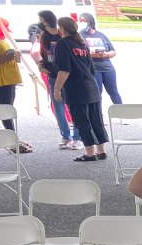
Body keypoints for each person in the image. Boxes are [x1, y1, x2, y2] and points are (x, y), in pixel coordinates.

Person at [54, 17, 107, 162]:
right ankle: (101, 150)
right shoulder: (82, 43)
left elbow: (64, 69)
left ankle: (90, 152)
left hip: (75, 88)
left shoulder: (63, 44)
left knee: (82, 121)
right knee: (96, 119)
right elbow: (91, 68)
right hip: (91, 85)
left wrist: (57, 89)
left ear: (62, 28)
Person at [36, 10, 81, 150]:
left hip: (68, 75)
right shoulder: (44, 36)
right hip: (52, 74)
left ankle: (78, 137)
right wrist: (41, 65)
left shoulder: (63, 34)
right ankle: (65, 136)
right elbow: (43, 54)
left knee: (73, 105)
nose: (40, 23)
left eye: (42, 20)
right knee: (58, 106)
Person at [0, 24, 31, 153]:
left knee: (9, 108)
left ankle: (14, 138)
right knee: (5, 109)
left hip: (9, 77)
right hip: (0, 78)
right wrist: (1, 59)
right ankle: (12, 142)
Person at [79, 13, 121, 106]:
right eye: (80, 21)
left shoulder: (101, 35)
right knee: (97, 93)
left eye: (84, 21)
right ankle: (98, 113)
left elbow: (113, 51)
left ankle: (121, 111)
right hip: (93, 68)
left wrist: (105, 54)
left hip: (107, 67)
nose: (82, 23)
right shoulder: (80, 35)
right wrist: (91, 54)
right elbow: (78, 52)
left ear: (90, 21)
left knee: (113, 91)